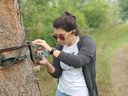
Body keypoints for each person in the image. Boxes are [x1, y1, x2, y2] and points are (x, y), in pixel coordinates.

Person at [32, 11, 98, 96]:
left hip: (79, 92)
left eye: (61, 36)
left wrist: (51, 50)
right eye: (55, 36)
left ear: (73, 32)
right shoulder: (59, 47)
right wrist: (47, 63)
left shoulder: (87, 42)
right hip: (61, 91)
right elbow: (57, 73)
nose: (58, 40)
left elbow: (79, 62)